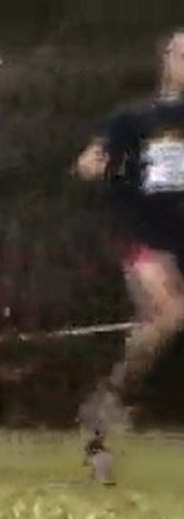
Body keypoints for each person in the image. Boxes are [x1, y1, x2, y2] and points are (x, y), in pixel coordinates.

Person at [75, 30, 184, 430]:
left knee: (153, 325)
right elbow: (89, 161)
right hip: (142, 234)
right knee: (171, 314)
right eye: (182, 54)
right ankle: (111, 397)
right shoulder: (135, 118)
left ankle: (113, 402)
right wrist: (95, 166)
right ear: (166, 60)